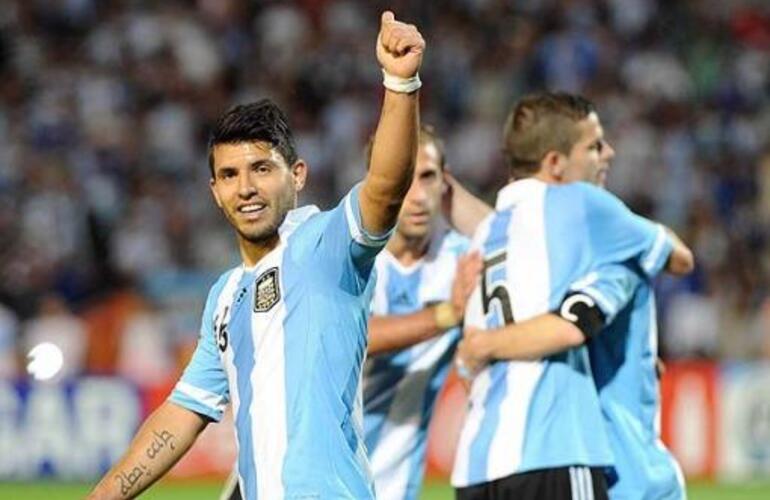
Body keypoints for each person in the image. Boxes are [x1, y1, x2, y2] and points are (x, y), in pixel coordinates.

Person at [87, 10, 425, 500]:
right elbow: (185, 411)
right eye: (229, 175)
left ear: (298, 175)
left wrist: (400, 82)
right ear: (214, 191)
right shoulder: (225, 296)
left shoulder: (325, 244)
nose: (245, 188)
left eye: (262, 169)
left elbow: (386, 188)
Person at [450, 92, 692, 500]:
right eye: (594, 146)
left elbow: (466, 375)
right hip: (578, 455)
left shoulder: (489, 238)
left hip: (478, 458)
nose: (608, 153)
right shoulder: (590, 215)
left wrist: (472, 349)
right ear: (556, 164)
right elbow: (678, 259)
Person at [362, 124, 484, 500]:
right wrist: (448, 314)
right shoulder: (350, 256)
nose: (416, 196)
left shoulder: (459, 260)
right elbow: (347, 336)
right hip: (304, 475)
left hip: (391, 485)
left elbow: (521, 246)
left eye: (428, 178)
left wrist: (451, 193)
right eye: (403, 179)